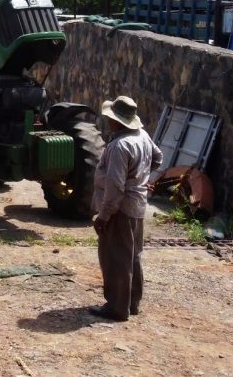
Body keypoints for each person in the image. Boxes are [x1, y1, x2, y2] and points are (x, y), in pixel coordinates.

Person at [89, 95, 163, 322]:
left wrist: (103, 215)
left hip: (120, 209)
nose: (107, 121)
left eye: (110, 118)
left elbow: (115, 187)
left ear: (117, 121)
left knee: (116, 258)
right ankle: (132, 303)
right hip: (138, 206)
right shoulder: (142, 136)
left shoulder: (119, 146)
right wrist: (141, 179)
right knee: (133, 255)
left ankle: (117, 307)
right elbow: (158, 159)